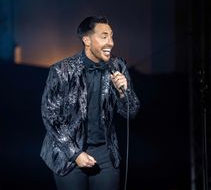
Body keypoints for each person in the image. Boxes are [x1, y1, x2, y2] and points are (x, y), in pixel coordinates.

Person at [40, 16, 140, 190]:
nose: (111, 42)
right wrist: (75, 153)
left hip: (104, 152)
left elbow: (131, 112)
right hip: (67, 151)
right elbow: (50, 116)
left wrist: (124, 93)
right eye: (104, 36)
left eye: (111, 36)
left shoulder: (118, 66)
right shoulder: (62, 70)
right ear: (87, 40)